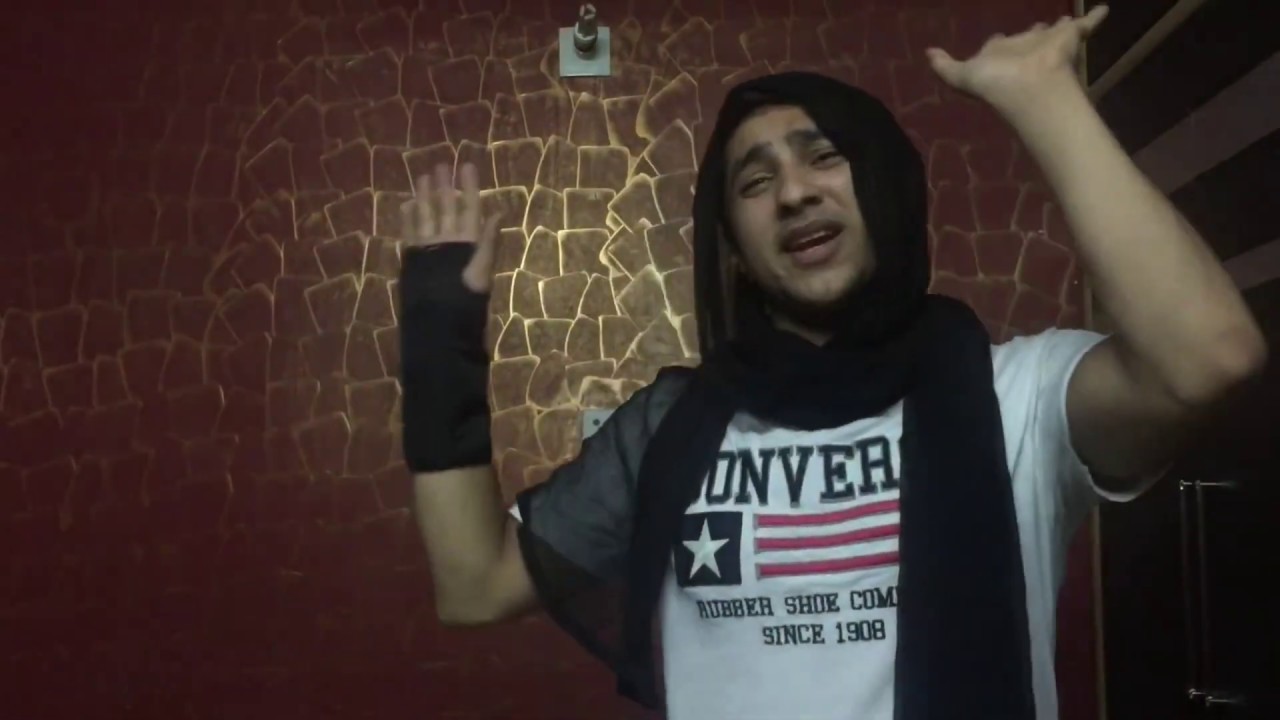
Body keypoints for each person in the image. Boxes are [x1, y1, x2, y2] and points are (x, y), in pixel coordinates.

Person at [397, 7, 1266, 720]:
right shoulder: (673, 429)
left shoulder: (1020, 398)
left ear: (883, 187)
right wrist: (440, 338)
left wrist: (1047, 100)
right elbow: (473, 586)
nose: (794, 191)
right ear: (734, 250)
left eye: (825, 156)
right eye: (754, 181)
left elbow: (1208, 357)